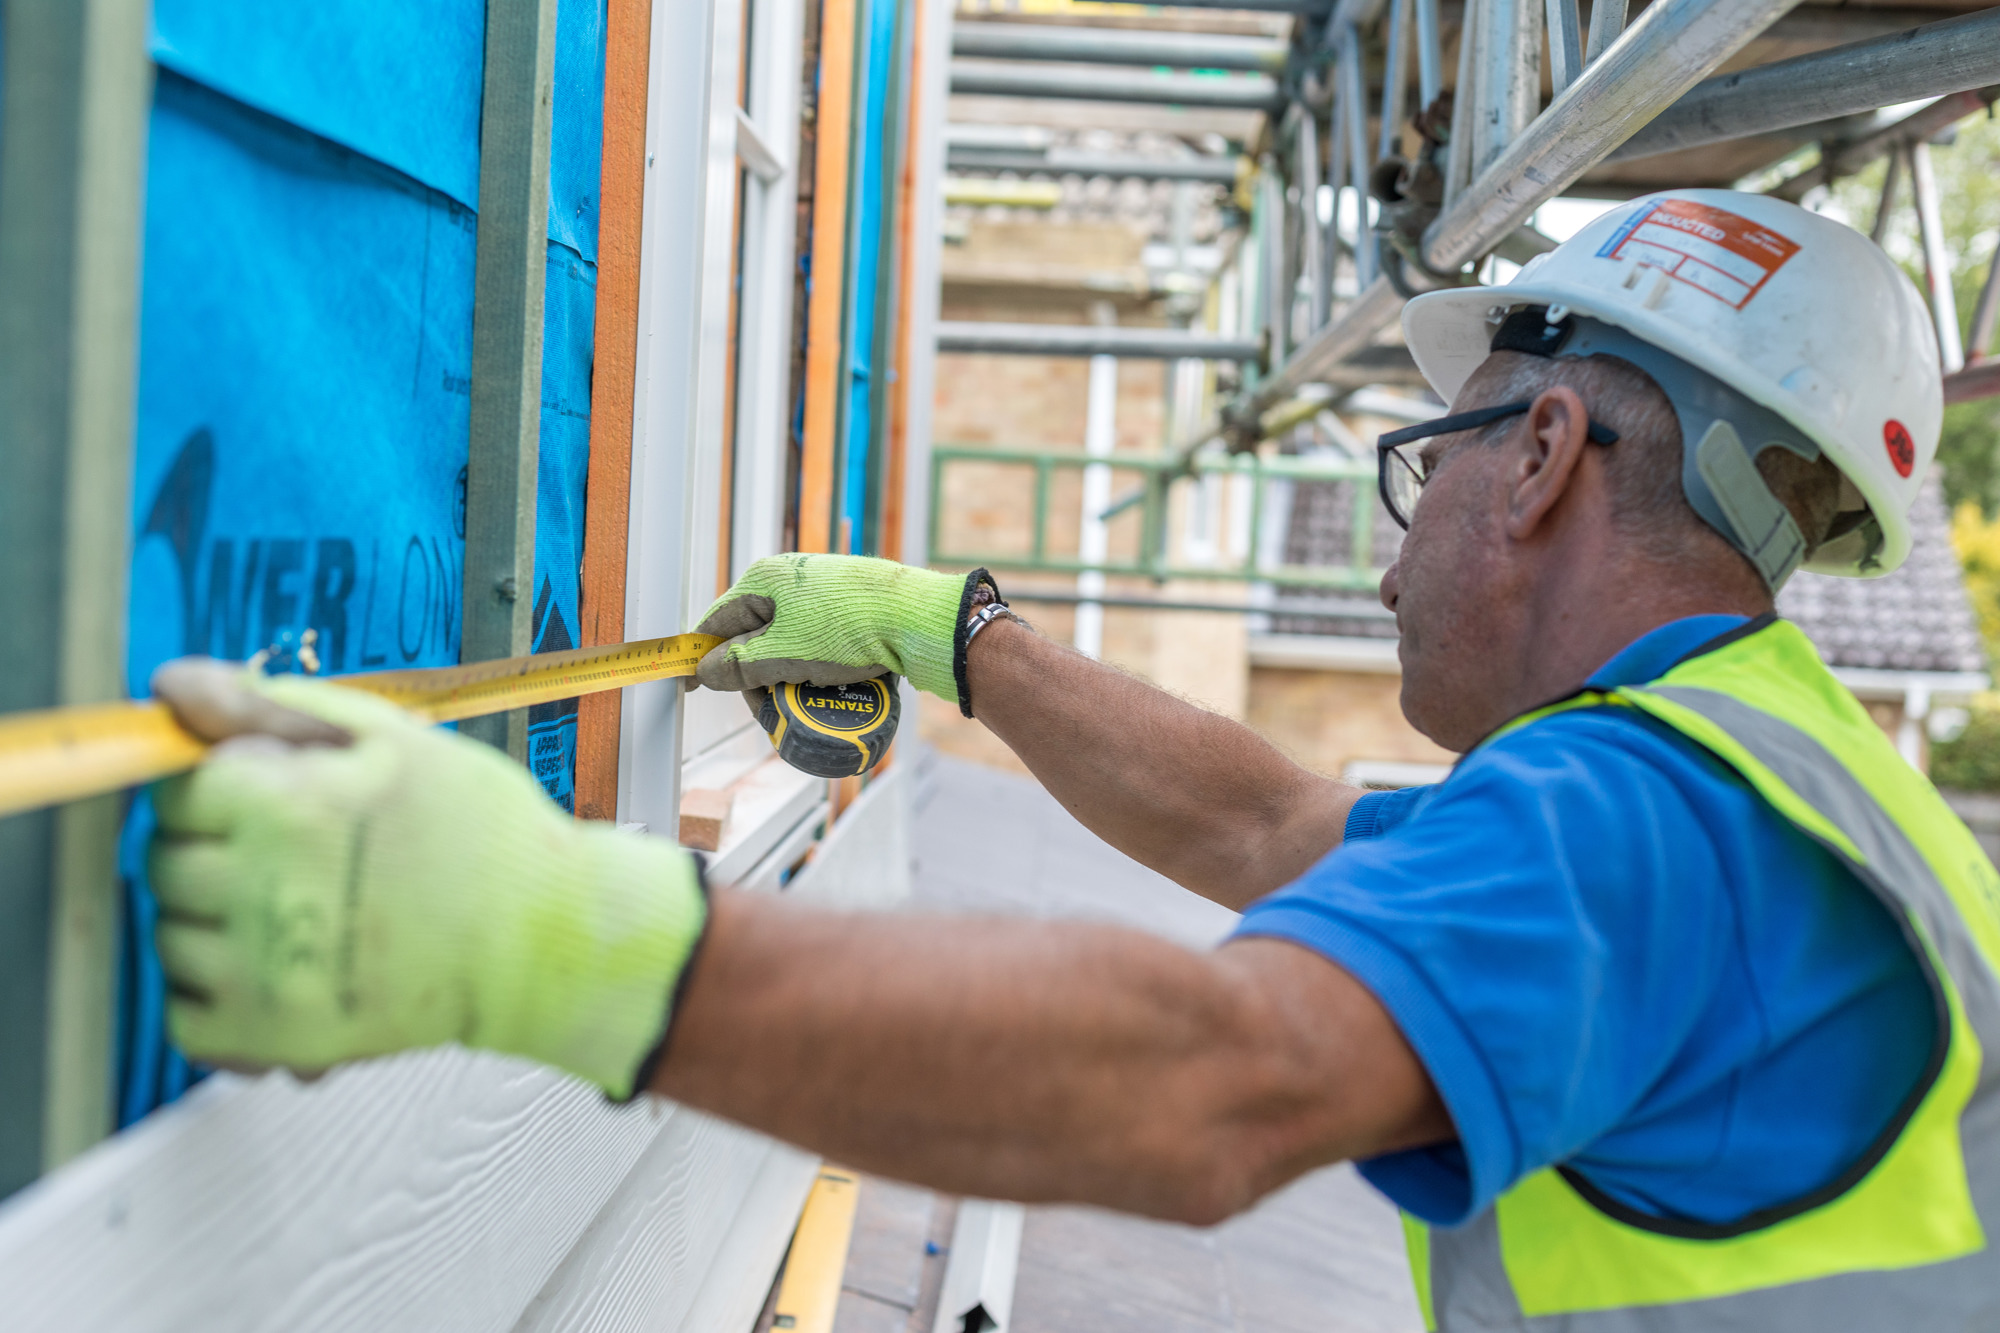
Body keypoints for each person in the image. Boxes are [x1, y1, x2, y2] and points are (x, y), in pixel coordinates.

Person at [148, 190, 2000, 1329]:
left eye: (1434, 456)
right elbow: (1276, 820)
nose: (1397, 533)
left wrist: (543, 938)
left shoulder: (1641, 826)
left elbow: (1214, 1086)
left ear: (1543, 455)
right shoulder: (1748, 774)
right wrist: (953, 635)